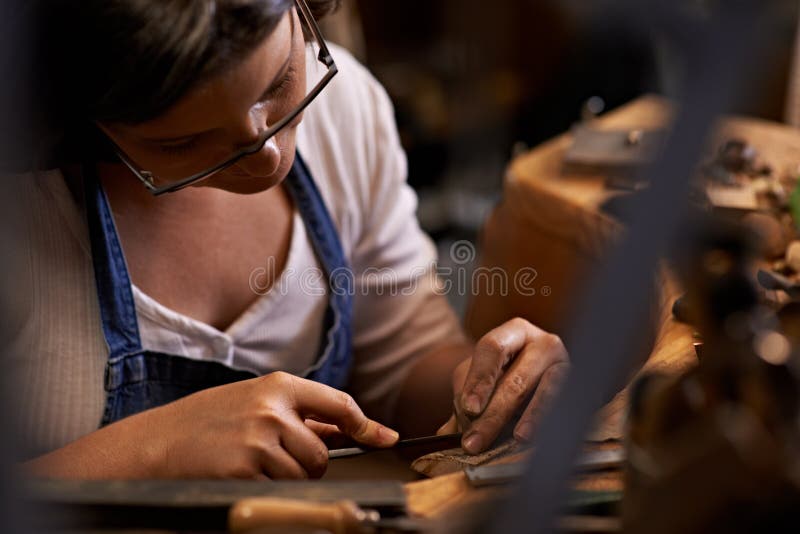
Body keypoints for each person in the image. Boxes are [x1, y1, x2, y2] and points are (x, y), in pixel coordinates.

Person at [8, 0, 569, 479]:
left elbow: (401, 365)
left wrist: (485, 390)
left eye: (279, 84)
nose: (267, 155)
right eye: (184, 143)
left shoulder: (342, 111)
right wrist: (151, 451)